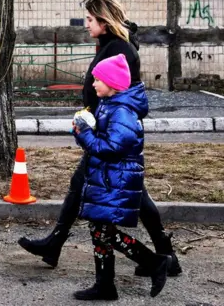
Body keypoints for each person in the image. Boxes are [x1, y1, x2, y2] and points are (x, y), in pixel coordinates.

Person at [18, 0, 182, 278]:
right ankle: (165, 256)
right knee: (118, 192)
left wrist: (93, 122)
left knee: (104, 190)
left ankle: (160, 260)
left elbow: (117, 91)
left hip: (110, 133)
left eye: (91, 19)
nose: (87, 24)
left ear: (104, 22)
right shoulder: (112, 45)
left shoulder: (119, 49)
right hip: (105, 128)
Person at [71, 53, 171, 300]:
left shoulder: (123, 112)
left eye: (97, 80)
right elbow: (101, 141)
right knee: (98, 228)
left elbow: (111, 149)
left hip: (115, 180)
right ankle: (105, 285)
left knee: (103, 231)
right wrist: (83, 129)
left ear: (112, 83)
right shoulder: (110, 106)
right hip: (107, 178)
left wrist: (85, 135)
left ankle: (154, 261)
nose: (93, 84)